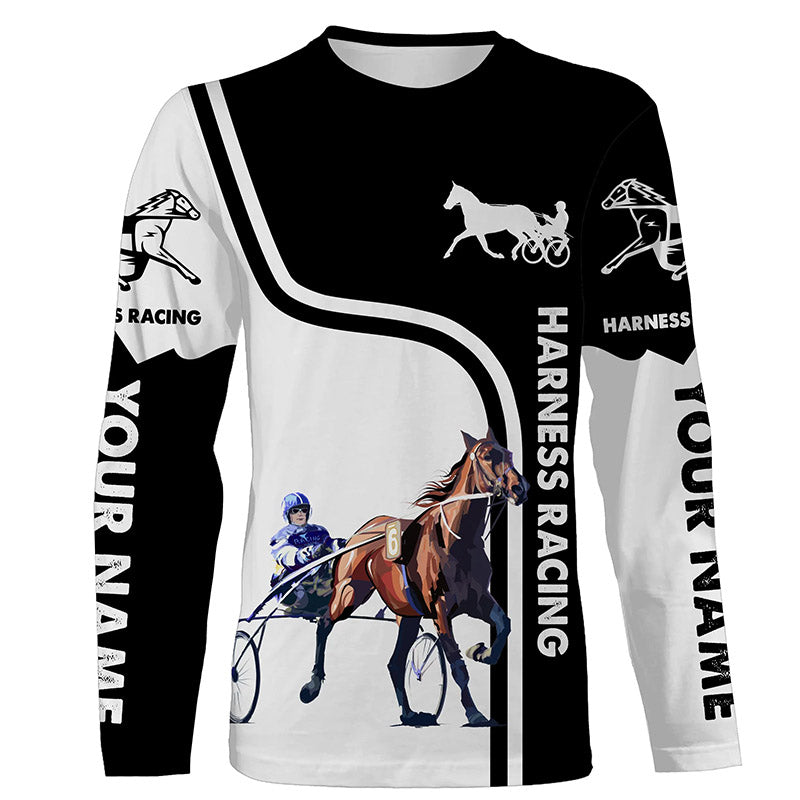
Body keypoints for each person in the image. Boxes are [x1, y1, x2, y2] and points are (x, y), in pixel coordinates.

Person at [269, 492, 345, 610]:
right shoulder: (282, 535)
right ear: (288, 514)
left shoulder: (318, 530)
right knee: (299, 597)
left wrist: (338, 544)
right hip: (296, 579)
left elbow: (329, 544)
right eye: (295, 511)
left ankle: (327, 601)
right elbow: (285, 555)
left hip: (319, 577)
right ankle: (298, 604)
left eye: (304, 510)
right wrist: (308, 554)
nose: (300, 513)